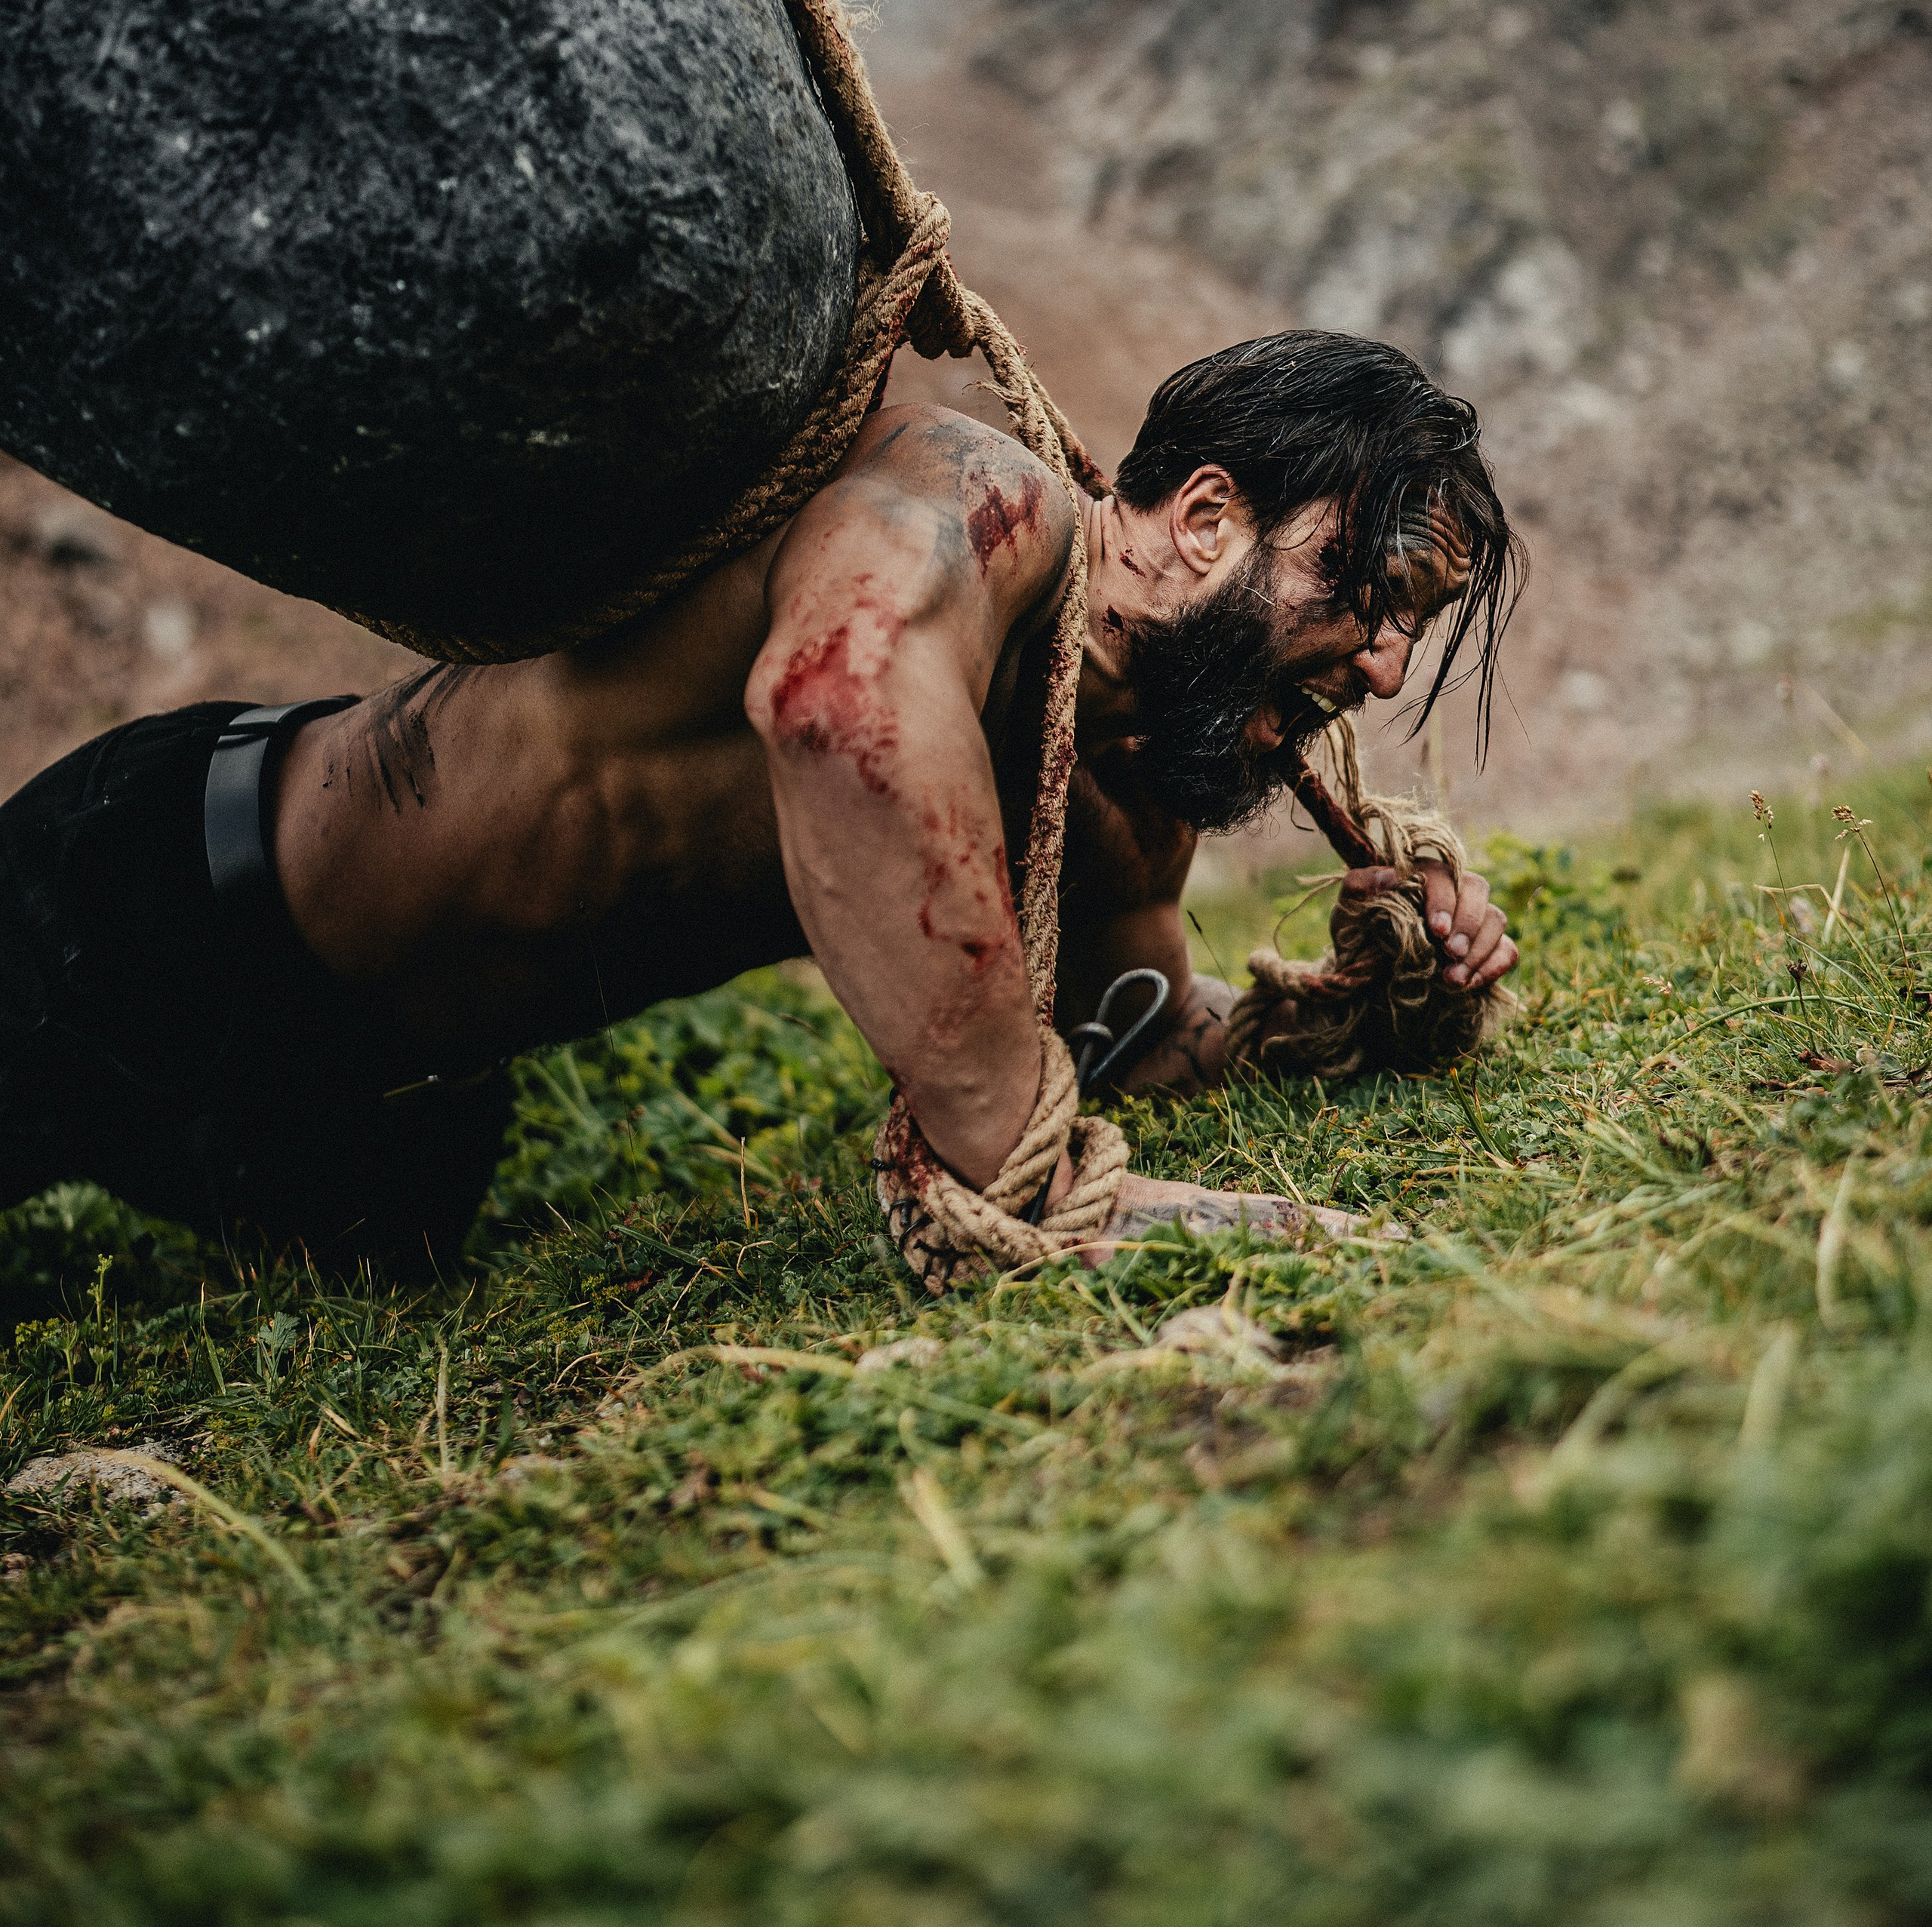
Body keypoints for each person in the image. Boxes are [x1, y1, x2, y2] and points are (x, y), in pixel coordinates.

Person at [0, 331, 1522, 1271]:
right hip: (153, 903)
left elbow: (1134, 1045)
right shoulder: (968, 500)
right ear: (1199, 519)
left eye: (1410, 623)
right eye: (1367, 590)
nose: (1384, 669)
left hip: (385, 1111)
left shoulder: (1119, 796)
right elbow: (836, 696)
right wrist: (1016, 1161)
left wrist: (1378, 1001)